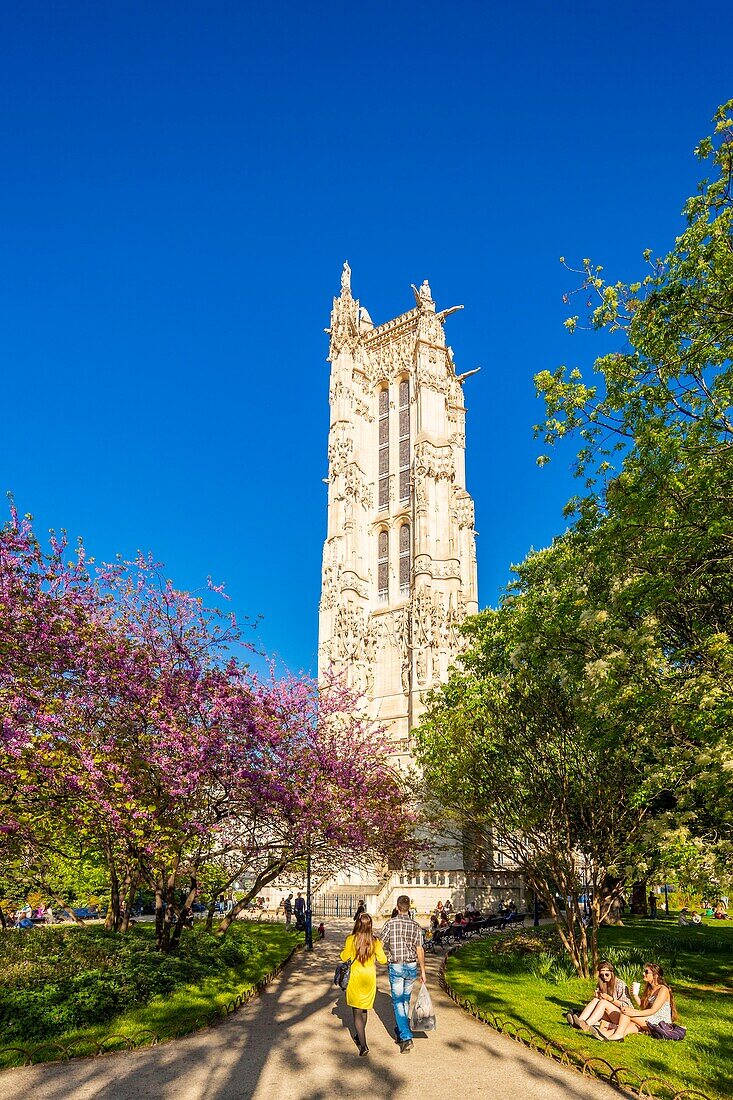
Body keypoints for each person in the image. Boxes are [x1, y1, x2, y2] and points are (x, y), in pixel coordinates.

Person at [380, 894, 427, 1053]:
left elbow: (380, 943)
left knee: (398, 1002)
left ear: (397, 908)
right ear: (409, 908)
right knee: (405, 1000)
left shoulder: (390, 923)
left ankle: (406, 1037)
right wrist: (423, 971)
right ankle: (402, 1031)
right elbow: (419, 949)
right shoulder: (416, 925)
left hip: (397, 966)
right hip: (411, 966)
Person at [340, 913, 387, 1057]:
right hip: (369, 977)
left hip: (355, 977)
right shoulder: (375, 941)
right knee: (364, 1008)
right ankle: (360, 1036)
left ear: (357, 924)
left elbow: (344, 956)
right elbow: (383, 960)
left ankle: (364, 1045)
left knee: (357, 1011)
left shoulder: (351, 940)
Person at [593, 963, 677, 1041]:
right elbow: (643, 1007)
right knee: (632, 1020)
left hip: (660, 1022)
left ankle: (618, 1034)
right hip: (651, 1017)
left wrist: (633, 1014)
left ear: (655, 975)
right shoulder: (650, 989)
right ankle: (607, 1034)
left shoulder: (663, 989)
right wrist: (635, 995)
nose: (643, 973)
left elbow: (653, 1010)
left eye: (646, 972)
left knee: (627, 1012)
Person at [567, 962, 631, 1031]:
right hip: (608, 1014)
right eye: (602, 975)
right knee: (596, 1000)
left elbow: (626, 1006)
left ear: (612, 973)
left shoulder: (620, 984)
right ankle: (579, 1021)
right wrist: (598, 996)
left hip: (622, 1016)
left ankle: (586, 1024)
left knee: (603, 1002)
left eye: (607, 974)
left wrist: (610, 999)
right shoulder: (602, 983)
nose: (604, 977)